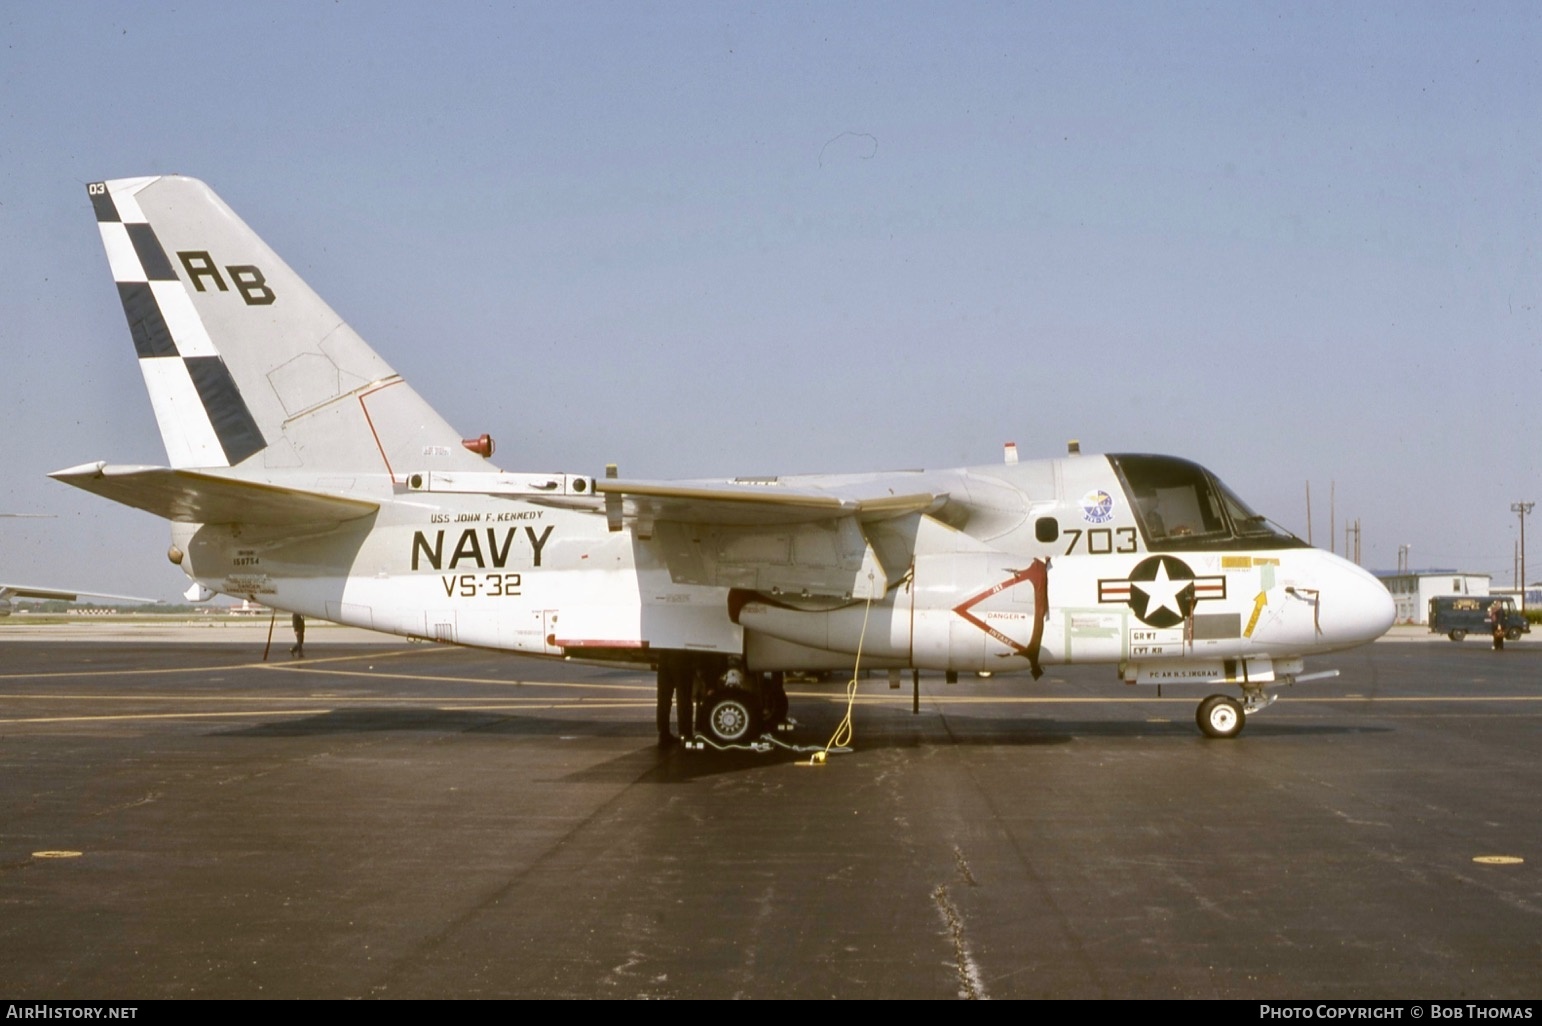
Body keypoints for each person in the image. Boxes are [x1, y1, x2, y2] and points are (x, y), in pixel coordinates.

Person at [655, 655, 693, 747]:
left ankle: (664, 734)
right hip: (681, 657)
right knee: (684, 697)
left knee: (664, 699)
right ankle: (685, 733)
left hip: (664, 656)